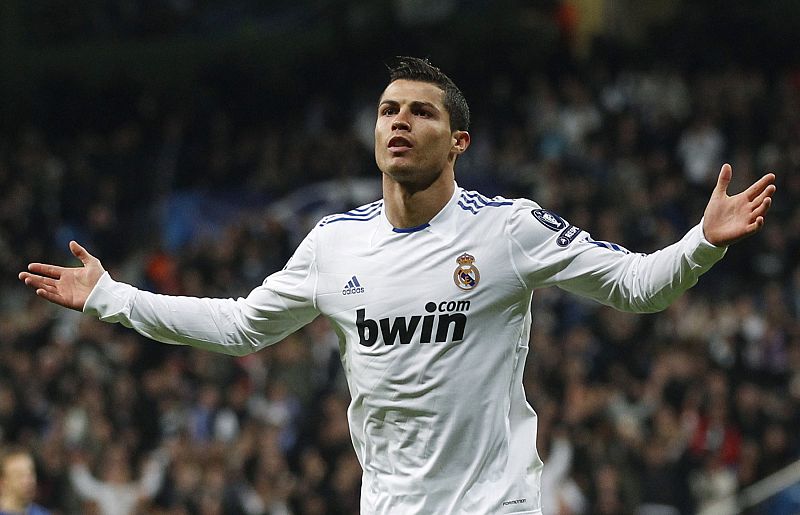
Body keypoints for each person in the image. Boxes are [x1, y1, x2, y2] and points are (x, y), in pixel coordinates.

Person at [19, 57, 776, 514]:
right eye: (388, 111)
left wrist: (701, 243)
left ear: (459, 140)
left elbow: (637, 286)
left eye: (420, 112)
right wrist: (111, 297)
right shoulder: (334, 243)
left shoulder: (507, 229)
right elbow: (243, 325)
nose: (400, 122)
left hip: (495, 504)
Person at [0, 447, 51, 515]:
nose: (28, 481)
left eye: (31, 473)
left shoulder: (42, 513)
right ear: (2, 482)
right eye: (19, 475)